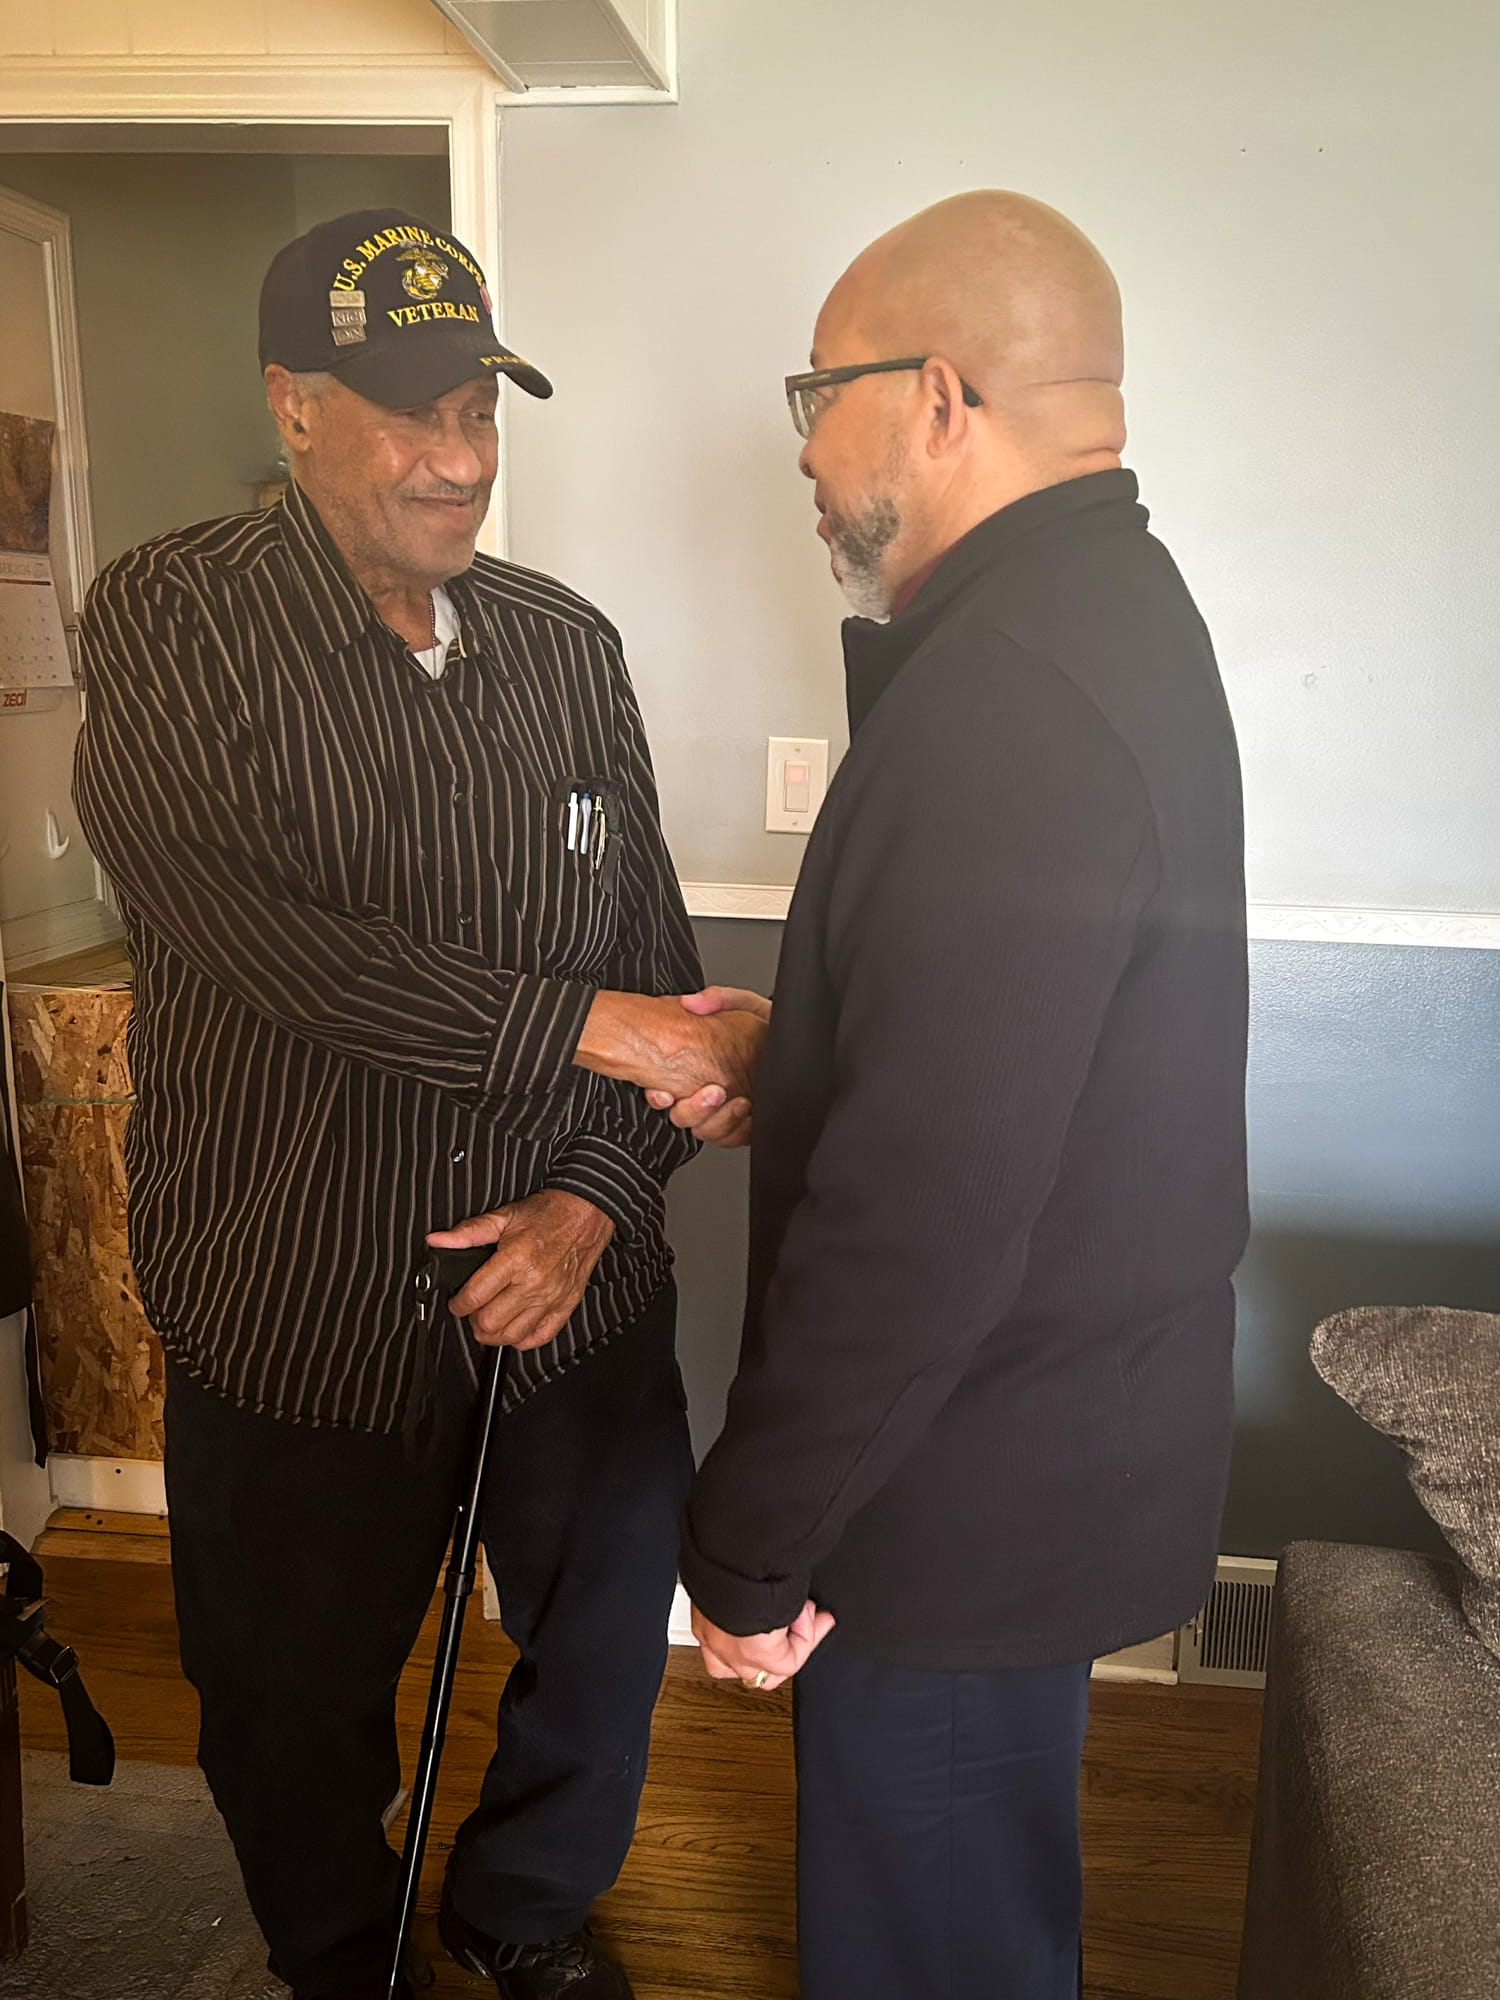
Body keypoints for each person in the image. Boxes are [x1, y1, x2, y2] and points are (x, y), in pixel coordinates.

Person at [73, 208, 764, 2000]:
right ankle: (336, 1953)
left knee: (604, 1645)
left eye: (478, 410)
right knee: (288, 1691)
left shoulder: (562, 643)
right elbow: (269, 951)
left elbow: (662, 961)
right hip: (303, 1293)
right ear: (292, 403)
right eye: (406, 415)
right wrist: (604, 1040)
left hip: (578, 1293)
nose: (456, 460)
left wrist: (595, 1199)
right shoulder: (171, 620)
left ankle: (522, 1912)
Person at [673, 191, 1251, 2000]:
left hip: (946, 1504)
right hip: (1028, 1459)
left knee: (933, 1956)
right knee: (980, 1922)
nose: (799, 446)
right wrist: (814, 1051)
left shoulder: (1005, 689)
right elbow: (1035, 1061)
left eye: (811, 397)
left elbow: (924, 1216)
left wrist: (749, 1550)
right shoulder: (1112, 609)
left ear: (934, 397)